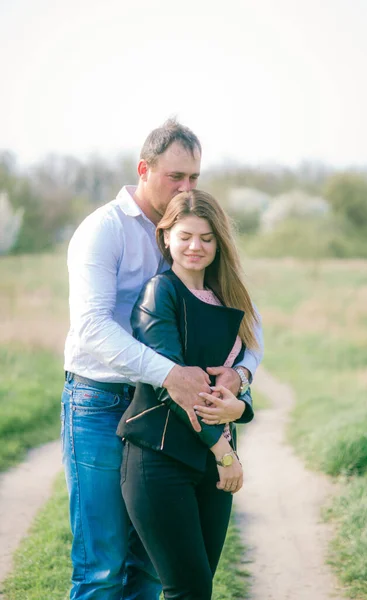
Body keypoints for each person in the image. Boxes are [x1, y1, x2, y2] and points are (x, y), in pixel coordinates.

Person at [61, 119, 264, 600]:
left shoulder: (190, 233)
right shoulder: (103, 230)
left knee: (152, 567)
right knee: (103, 564)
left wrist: (240, 375)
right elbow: (91, 327)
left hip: (168, 410)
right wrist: (172, 375)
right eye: (176, 177)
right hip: (100, 398)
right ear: (144, 169)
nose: (187, 187)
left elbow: (243, 324)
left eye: (194, 177)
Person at [118, 189, 262, 600]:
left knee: (199, 589)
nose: (195, 247)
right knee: (188, 589)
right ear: (166, 237)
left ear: (219, 243)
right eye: (185, 236)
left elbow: (232, 377)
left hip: (210, 464)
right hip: (159, 460)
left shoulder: (228, 298)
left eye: (206, 238)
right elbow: (178, 389)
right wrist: (226, 454)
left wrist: (241, 406)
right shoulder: (158, 294)